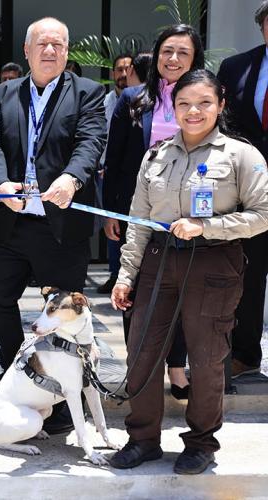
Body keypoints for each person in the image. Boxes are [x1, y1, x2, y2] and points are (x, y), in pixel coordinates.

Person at [109, 69, 268, 474]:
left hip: (214, 261)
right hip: (159, 261)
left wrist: (207, 226)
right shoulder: (156, 155)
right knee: (142, 352)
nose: (193, 111)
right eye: (184, 104)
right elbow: (139, 221)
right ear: (172, 107)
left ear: (220, 105)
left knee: (207, 356)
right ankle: (142, 438)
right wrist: (127, 275)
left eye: (203, 103)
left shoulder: (241, 155)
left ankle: (200, 444)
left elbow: (262, 215)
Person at [0, 17, 106, 436]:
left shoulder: (88, 93)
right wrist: (0, 184)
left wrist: (71, 178)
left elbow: (90, 142)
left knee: (66, 317)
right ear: (27, 50)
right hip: (11, 223)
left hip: (61, 225)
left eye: (58, 44)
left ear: (66, 52)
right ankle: (22, 371)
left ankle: (68, 398)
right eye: (41, 44)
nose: (49, 50)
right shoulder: (2, 94)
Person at [103, 25, 205, 399]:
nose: (173, 59)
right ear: (156, 55)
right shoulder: (132, 99)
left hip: (189, 217)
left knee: (182, 293)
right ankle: (138, 368)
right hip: (138, 214)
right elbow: (113, 163)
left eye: (183, 52)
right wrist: (111, 212)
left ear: (195, 60)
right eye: (167, 51)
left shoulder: (203, 99)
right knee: (132, 292)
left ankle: (177, 369)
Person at [217, 0, 268, 378]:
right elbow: (227, 126)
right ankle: (245, 354)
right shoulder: (235, 68)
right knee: (249, 272)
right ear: (262, 27)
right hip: (251, 190)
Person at [96, 53, 132, 294]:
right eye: (118, 70)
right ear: (112, 73)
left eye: (127, 70)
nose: (122, 74)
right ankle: (113, 272)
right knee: (112, 224)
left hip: (132, 173)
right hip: (104, 171)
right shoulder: (104, 101)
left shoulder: (142, 100)